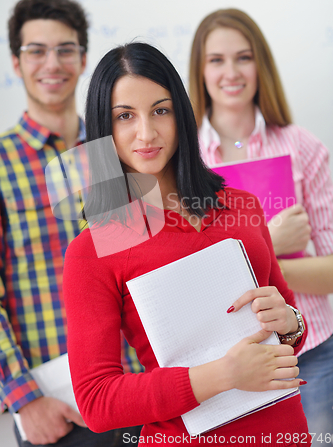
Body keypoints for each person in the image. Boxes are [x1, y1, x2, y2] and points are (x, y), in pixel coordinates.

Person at [62, 42, 311, 447]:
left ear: (181, 113)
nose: (147, 132)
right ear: (104, 131)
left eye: (160, 110)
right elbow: (96, 402)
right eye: (125, 116)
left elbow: (290, 330)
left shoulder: (241, 207)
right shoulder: (92, 251)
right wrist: (223, 376)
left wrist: (290, 322)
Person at [0, 0, 142, 447]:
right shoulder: (1, 162)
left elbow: (142, 264)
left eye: (65, 50)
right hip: (58, 409)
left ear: (83, 60)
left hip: (140, 388)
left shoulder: (117, 152)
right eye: (35, 50)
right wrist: (23, 398)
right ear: (16, 63)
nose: (52, 63)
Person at [189, 8, 333, 445]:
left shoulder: (302, 146)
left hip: (312, 353)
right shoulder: (184, 161)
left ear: (261, 65)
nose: (230, 72)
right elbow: (194, 281)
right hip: (226, 366)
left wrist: (260, 266)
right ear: (199, 71)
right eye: (216, 60)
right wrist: (270, 242)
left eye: (243, 57)